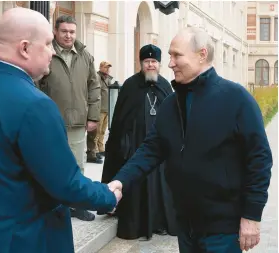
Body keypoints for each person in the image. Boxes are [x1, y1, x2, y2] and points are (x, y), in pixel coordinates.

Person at [0, 8, 121, 253]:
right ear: (25, 48)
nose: (52, 51)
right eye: (48, 43)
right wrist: (107, 195)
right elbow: (65, 184)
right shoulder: (35, 105)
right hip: (18, 239)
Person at [108, 27, 272, 253]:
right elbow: (151, 150)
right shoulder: (170, 104)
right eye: (170, 56)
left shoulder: (236, 99)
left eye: (177, 55)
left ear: (201, 54)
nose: (170, 63)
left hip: (223, 229)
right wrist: (120, 181)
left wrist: (252, 215)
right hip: (185, 225)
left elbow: (260, 160)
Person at [100, 45, 176, 240]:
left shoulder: (166, 86)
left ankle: (159, 222)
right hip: (135, 148)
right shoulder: (130, 86)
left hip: (160, 149)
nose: (150, 65)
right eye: (147, 62)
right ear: (141, 63)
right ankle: (138, 223)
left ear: (159, 64)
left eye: (154, 62)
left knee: (160, 185)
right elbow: (119, 121)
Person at [38, 15, 100, 221]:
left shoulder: (85, 55)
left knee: (77, 165)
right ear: (55, 31)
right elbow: (36, 82)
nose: (68, 35)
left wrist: (93, 116)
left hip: (77, 122)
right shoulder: (46, 52)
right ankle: (53, 203)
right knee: (50, 163)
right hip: (51, 121)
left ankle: (77, 204)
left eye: (72, 31)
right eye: (64, 31)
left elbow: (94, 85)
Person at [86, 61, 113, 163]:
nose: (108, 69)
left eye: (109, 68)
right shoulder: (97, 77)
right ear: (101, 67)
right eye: (106, 67)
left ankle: (101, 149)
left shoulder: (109, 79)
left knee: (102, 131)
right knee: (96, 131)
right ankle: (94, 151)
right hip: (99, 109)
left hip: (107, 108)